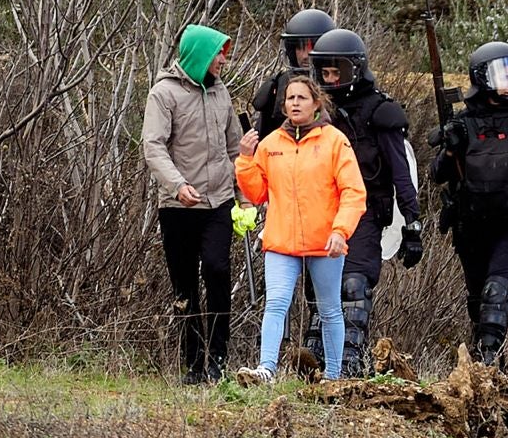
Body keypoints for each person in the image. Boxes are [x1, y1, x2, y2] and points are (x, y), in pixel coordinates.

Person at [428, 40, 508, 366]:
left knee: (496, 294)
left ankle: (488, 361)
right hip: (470, 227)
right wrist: (449, 148)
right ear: (484, 78)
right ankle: (487, 367)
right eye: (505, 75)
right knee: (478, 304)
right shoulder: (462, 124)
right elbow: (436, 175)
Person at [233, 76, 367, 383]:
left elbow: (353, 192)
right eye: (290, 98)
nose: (295, 103)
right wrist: (245, 159)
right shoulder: (269, 145)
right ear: (283, 105)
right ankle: (266, 369)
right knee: (276, 303)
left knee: (330, 309)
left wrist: (340, 231)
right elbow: (256, 194)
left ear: (316, 103)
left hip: (326, 242)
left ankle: (333, 378)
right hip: (282, 241)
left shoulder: (335, 141)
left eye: (302, 98)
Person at [307, 28, 424, 376]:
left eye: (336, 72)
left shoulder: (380, 112)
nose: (331, 80)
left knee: (354, 285)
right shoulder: (314, 114)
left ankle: (349, 361)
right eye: (324, 73)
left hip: (367, 213)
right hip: (321, 213)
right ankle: (315, 364)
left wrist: (412, 223)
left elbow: (401, 170)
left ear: (354, 69)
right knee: (320, 292)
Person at [142, 23, 241, 384]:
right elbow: (152, 146)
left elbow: (235, 149)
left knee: (217, 270)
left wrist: (242, 195)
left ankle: (218, 360)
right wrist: (178, 185)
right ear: (199, 54)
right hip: (178, 205)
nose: (223, 60)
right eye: (218, 53)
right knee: (184, 286)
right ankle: (192, 365)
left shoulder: (222, 93)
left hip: (219, 202)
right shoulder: (163, 94)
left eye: (224, 53)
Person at [251, 7, 336, 138]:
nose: (306, 55)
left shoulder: (337, 82)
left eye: (312, 48)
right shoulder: (281, 85)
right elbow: (263, 137)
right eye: (300, 48)